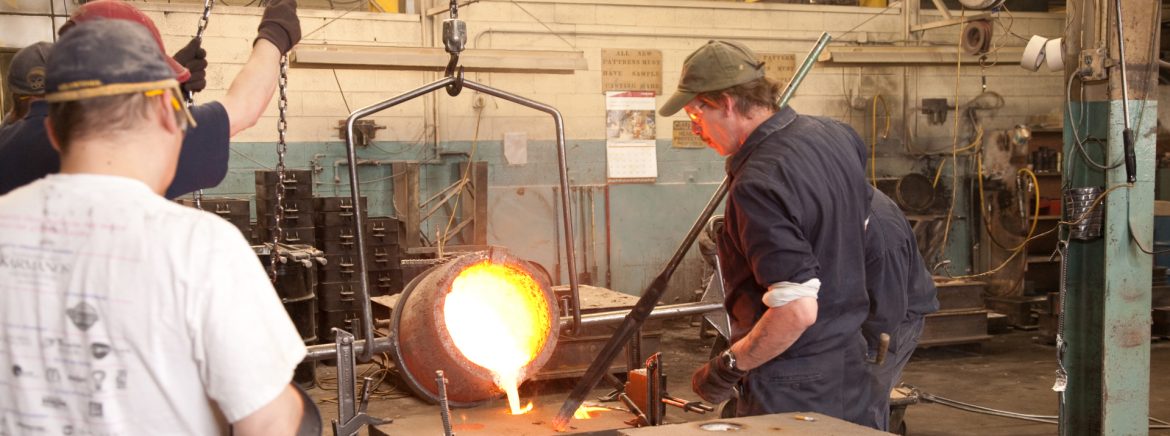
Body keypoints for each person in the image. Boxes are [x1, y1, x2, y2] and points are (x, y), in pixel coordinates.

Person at [0, 20, 310, 435]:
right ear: (169, 112)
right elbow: (270, 420)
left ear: (55, 132)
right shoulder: (201, 247)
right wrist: (274, 32)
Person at [665, 40, 879, 428]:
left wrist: (729, 366)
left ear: (727, 103)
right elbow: (859, 227)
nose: (697, 130)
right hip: (848, 364)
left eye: (697, 116)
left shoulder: (758, 181)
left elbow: (796, 310)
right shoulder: (836, 135)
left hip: (793, 382)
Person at [0, 0, 301, 199]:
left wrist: (167, 87)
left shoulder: (7, 145)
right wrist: (276, 32)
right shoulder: (139, 140)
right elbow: (245, 106)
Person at [861, 186, 940, 430]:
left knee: (865, 401)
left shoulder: (879, 229)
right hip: (869, 309)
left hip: (893, 319)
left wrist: (867, 355)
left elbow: (886, 314)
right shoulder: (839, 201)